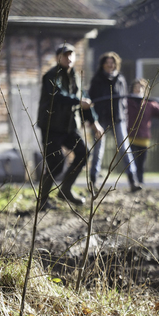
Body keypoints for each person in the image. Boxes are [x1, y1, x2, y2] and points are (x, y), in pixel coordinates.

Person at [37, 43, 103, 210]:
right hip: (51, 127)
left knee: (83, 153)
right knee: (56, 163)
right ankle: (42, 201)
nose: (69, 58)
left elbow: (85, 101)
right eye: (65, 55)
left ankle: (65, 190)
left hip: (69, 127)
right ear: (58, 57)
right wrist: (78, 102)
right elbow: (58, 95)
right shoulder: (51, 76)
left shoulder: (76, 77)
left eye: (71, 55)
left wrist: (94, 123)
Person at [88, 52, 141, 192]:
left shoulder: (120, 79)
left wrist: (124, 118)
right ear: (103, 64)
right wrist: (91, 121)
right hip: (101, 119)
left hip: (118, 118)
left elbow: (124, 102)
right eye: (107, 63)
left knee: (125, 149)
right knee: (98, 149)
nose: (110, 65)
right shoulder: (97, 79)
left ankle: (133, 180)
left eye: (112, 62)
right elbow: (91, 100)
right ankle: (93, 181)